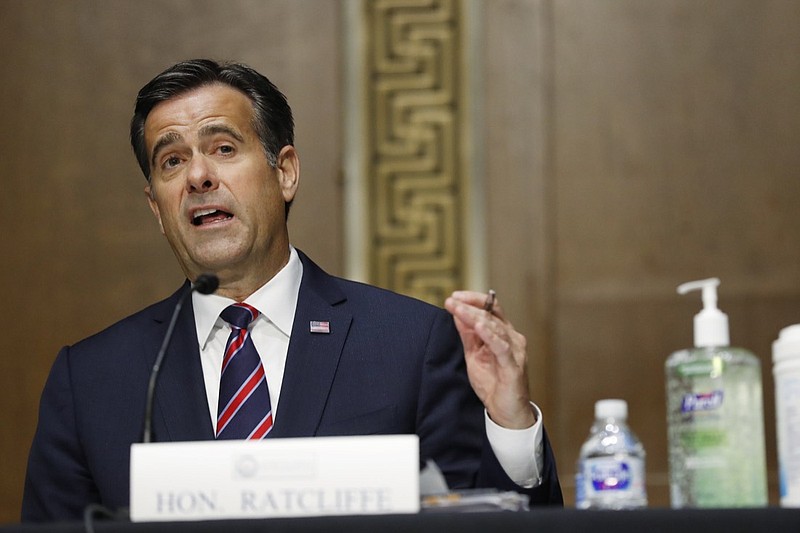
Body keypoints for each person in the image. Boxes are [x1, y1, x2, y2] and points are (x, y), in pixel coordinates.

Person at [22, 59, 562, 521]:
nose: (198, 177)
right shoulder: (91, 380)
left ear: (285, 172)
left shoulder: (409, 345)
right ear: (156, 209)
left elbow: (485, 522)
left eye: (224, 148)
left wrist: (511, 426)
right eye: (172, 160)